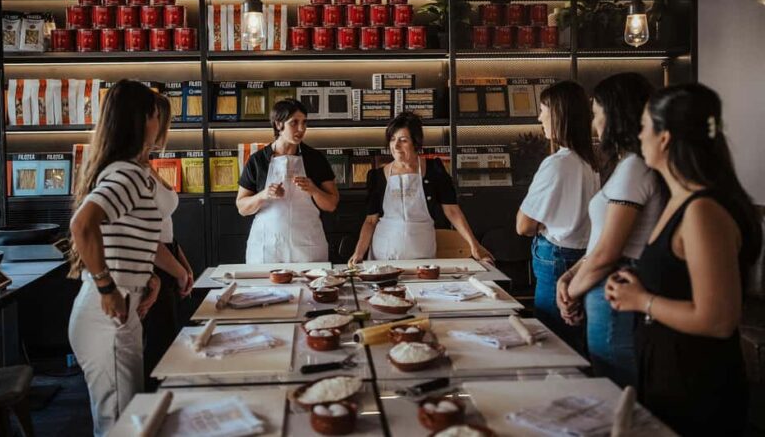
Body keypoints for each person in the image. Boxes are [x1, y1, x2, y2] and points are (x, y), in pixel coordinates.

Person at [605, 84, 762, 436]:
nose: (638, 134)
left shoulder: (703, 210)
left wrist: (641, 300)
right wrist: (635, 283)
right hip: (666, 373)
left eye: (644, 125)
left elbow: (719, 318)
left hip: (697, 383)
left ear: (664, 138)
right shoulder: (675, 199)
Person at [68, 80, 163, 436]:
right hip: (107, 313)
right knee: (121, 425)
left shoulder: (128, 170)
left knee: (127, 417)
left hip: (121, 307)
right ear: (140, 121)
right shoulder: (128, 173)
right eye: (155, 116)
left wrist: (147, 278)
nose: (159, 125)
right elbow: (83, 226)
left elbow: (125, 236)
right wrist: (107, 287)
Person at [555, 73, 663, 387]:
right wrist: (571, 275)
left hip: (615, 290)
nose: (594, 124)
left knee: (615, 386)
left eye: (597, 114)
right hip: (601, 287)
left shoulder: (634, 169)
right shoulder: (625, 166)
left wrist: (571, 294)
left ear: (615, 116)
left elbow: (608, 251)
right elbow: (601, 241)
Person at [516, 80, 600, 349]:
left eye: (543, 110)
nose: (539, 117)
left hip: (556, 260)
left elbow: (523, 225)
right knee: (574, 342)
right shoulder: (590, 162)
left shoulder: (557, 164)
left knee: (554, 346)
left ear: (559, 114)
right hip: (580, 258)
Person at [348, 112, 492, 265]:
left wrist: (474, 245)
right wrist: (358, 253)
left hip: (422, 251)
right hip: (385, 252)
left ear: (416, 143)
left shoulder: (434, 170)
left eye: (403, 140)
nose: (395, 146)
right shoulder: (377, 176)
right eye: (392, 139)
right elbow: (370, 221)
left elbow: (452, 211)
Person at [237, 98, 339, 263]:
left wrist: (314, 190)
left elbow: (332, 204)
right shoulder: (258, 161)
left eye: (304, 123)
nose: (301, 129)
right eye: (294, 123)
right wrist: (263, 195)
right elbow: (242, 207)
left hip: (308, 247)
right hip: (267, 248)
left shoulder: (315, 159)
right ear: (278, 124)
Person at [141, 93, 195, 391]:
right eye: (161, 120)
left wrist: (182, 262)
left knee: (167, 343)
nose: (165, 128)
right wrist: (178, 270)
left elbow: (162, 225)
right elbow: (146, 236)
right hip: (152, 264)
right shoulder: (129, 169)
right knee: (157, 350)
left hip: (167, 257)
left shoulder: (145, 163)